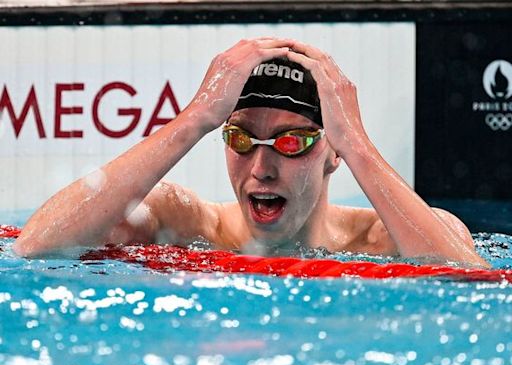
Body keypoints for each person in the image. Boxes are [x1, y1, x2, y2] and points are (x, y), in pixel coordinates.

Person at [12, 37, 489, 268]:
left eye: (290, 142)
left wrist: (359, 144)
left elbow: (471, 280)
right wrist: (194, 119)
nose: (261, 168)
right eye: (241, 139)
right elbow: (35, 246)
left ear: (333, 153)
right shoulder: (186, 223)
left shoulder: (383, 240)